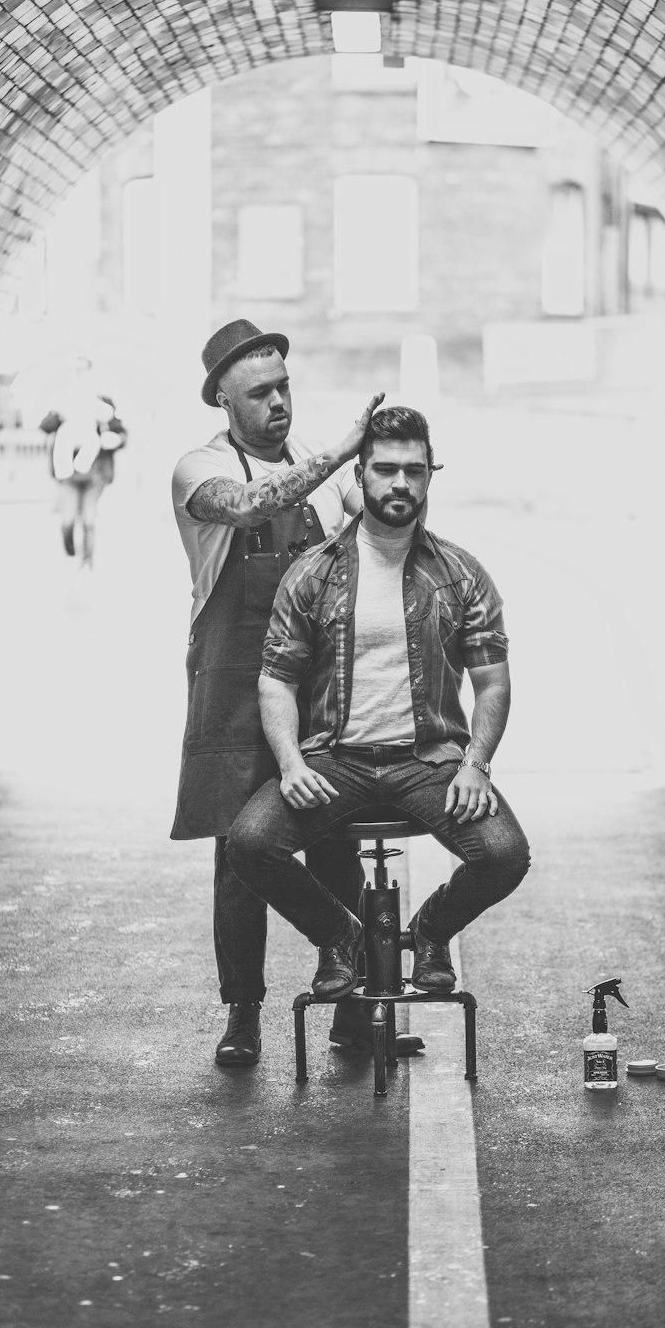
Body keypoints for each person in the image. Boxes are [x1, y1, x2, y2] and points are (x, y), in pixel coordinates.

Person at [170, 319, 423, 1068]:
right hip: (229, 683)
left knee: (333, 838)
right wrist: (341, 452)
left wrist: (398, 480)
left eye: (284, 386)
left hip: (313, 685)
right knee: (240, 853)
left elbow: (381, 539)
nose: (279, 401)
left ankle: (351, 1011)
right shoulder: (198, 467)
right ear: (222, 397)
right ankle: (242, 1014)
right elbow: (253, 504)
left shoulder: (331, 476)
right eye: (260, 392)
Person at [226, 405, 531, 1004]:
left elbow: (492, 682)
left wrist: (476, 764)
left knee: (504, 854)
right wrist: (291, 764)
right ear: (361, 474)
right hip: (336, 760)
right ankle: (345, 939)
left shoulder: (462, 574)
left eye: (413, 471)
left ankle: (430, 936)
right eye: (385, 469)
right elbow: (276, 681)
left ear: (429, 476)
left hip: (430, 761)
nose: (399, 484)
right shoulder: (314, 573)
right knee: (250, 843)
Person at [39, 356, 127, 570]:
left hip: (95, 473)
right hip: (68, 473)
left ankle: (87, 561)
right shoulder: (63, 399)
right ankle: (71, 550)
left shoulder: (104, 402)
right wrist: (59, 415)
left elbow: (121, 433)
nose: (79, 375)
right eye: (75, 371)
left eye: (83, 370)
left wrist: (114, 440)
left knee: (89, 519)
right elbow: (46, 426)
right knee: (67, 520)